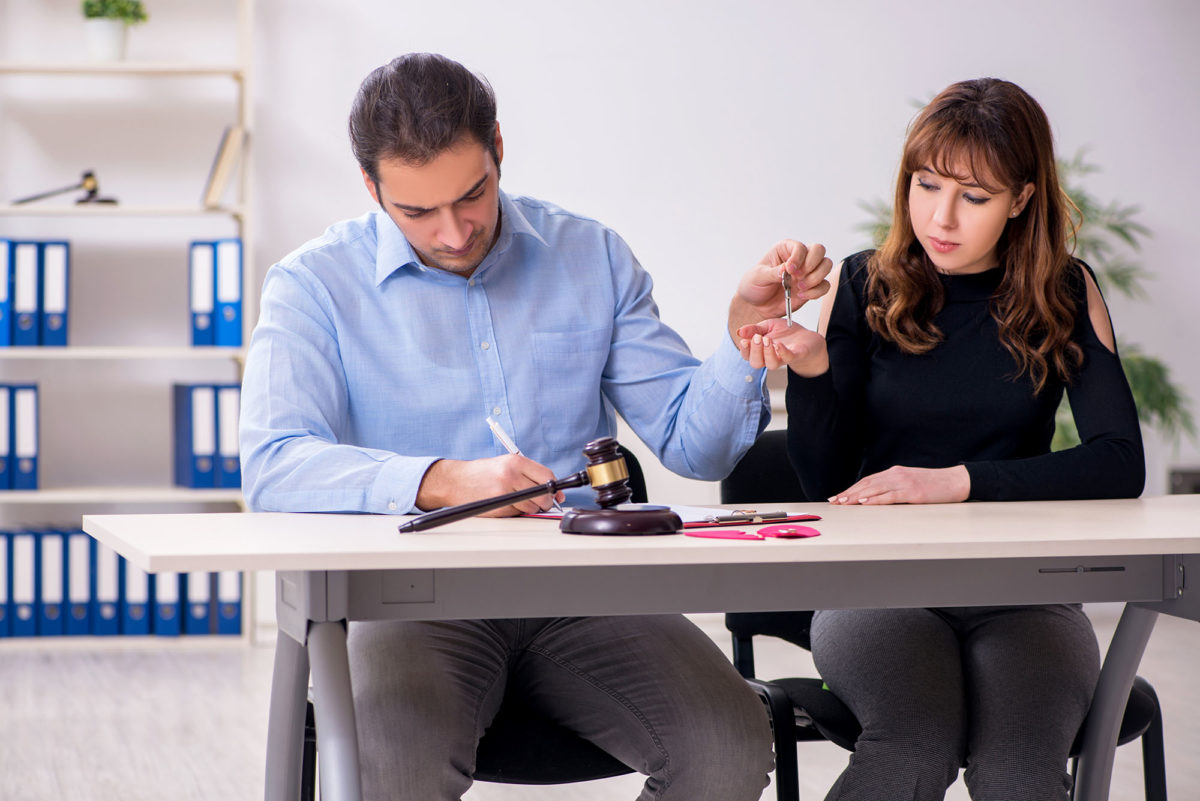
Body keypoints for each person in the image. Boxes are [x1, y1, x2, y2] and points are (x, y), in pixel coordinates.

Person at [240, 52, 832, 800]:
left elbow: (695, 442)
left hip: (582, 590)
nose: (453, 232)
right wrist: (442, 480)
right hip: (411, 602)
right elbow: (273, 464)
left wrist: (743, 339)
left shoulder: (590, 256)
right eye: (417, 212)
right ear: (371, 188)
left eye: (471, 196)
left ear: (498, 147)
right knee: (392, 768)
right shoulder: (313, 285)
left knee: (728, 748)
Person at [736, 78, 1145, 800]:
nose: (941, 217)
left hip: (1025, 589)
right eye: (926, 185)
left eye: (974, 197)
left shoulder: (1065, 290)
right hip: (878, 584)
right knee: (912, 748)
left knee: (1020, 769)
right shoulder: (866, 282)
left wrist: (956, 479)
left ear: (1021, 198)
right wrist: (812, 369)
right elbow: (822, 478)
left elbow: (1120, 460)